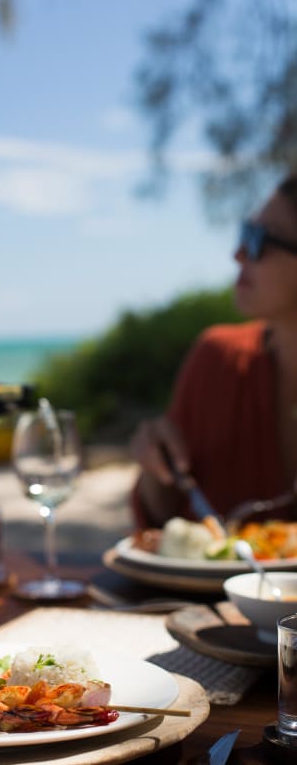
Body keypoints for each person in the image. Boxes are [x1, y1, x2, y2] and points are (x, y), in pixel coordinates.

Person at [130, 174, 297, 529]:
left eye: (258, 241)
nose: (237, 254)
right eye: (244, 233)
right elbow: (161, 524)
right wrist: (155, 470)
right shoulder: (218, 359)